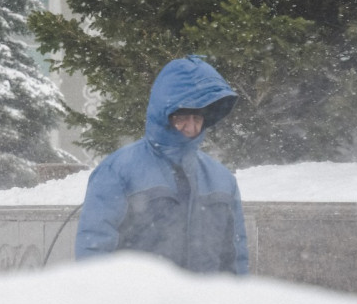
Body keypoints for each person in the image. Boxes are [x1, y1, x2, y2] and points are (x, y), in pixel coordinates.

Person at [74, 55, 249, 274]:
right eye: (181, 117)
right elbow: (94, 249)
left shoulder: (221, 179)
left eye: (198, 117)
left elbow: (235, 257)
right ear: (163, 115)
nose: (191, 127)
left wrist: (234, 303)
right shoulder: (119, 170)